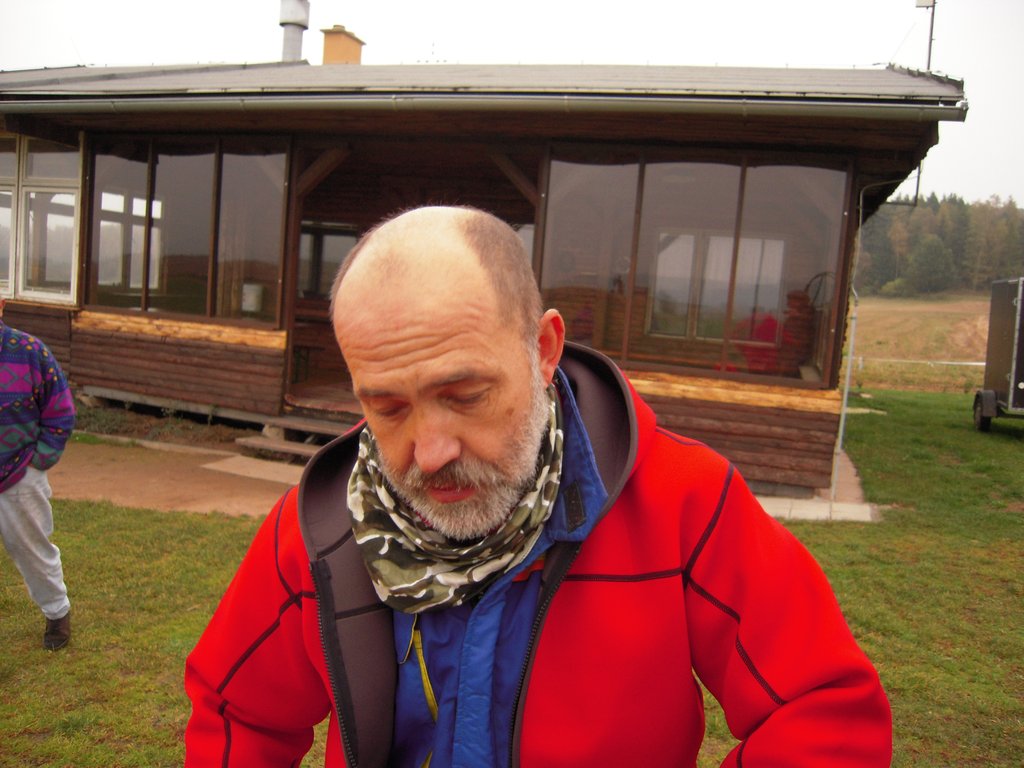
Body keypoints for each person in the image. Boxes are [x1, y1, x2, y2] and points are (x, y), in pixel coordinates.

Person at [185, 206, 892, 766]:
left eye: (465, 395)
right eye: (389, 408)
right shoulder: (319, 529)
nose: (430, 453)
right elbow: (235, 716)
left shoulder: (684, 503)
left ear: (543, 349)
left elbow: (824, 713)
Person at [0, 299, 76, 650]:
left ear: (1, 305)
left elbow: (60, 410)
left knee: (31, 549)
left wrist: (38, 463)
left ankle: (57, 614)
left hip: (19, 474)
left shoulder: (30, 351)